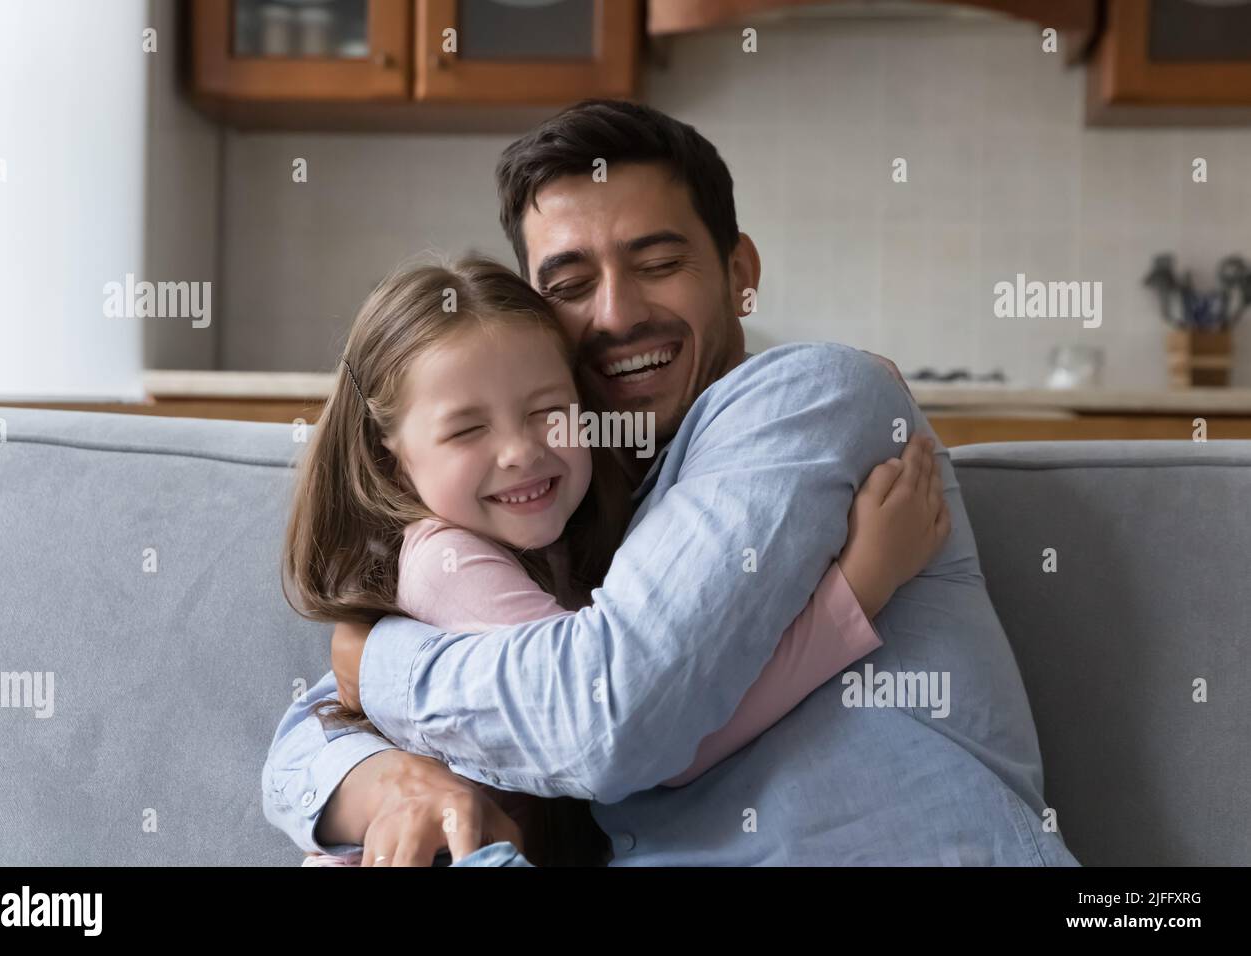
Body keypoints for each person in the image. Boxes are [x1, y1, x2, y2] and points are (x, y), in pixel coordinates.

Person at [263, 99, 1080, 867]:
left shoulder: (806, 396)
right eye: (572, 285)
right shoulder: (568, 504)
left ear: (739, 270)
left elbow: (609, 719)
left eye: (658, 262)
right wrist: (394, 773)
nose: (617, 314)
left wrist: (376, 662)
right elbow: (309, 738)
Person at [282, 255, 948, 866]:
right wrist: (858, 589)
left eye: (548, 411)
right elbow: (644, 742)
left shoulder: (569, 542)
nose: (520, 450)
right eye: (467, 428)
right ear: (388, 454)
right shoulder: (442, 560)